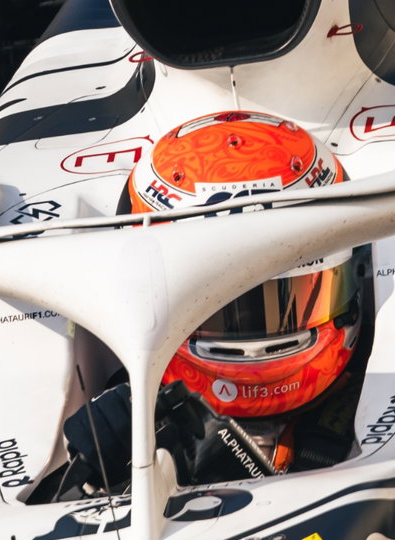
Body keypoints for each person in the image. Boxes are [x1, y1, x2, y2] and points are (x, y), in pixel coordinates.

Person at [33, 111, 367, 502]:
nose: (250, 331)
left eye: (284, 298)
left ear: (353, 272)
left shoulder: (380, 405)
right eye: (217, 303)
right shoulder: (122, 424)